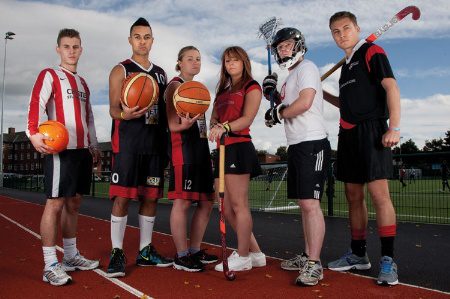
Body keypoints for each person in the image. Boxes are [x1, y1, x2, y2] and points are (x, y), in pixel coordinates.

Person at [323, 11, 401, 286]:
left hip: (373, 130)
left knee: (380, 195)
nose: (341, 34)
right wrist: (318, 92)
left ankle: (389, 260)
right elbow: (346, 104)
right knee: (353, 195)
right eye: (335, 31)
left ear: (357, 29)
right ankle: (358, 254)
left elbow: (391, 87)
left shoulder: (372, 51)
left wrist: (394, 127)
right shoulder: (346, 67)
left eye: (346, 28)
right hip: (348, 133)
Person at [26, 28, 100, 286]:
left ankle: (70, 256)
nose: (71, 51)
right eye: (66, 46)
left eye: (76, 46)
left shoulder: (83, 83)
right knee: (55, 203)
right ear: (58, 49)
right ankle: (50, 264)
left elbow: (88, 116)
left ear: (81, 49)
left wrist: (93, 144)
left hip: (81, 150)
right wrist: (33, 134)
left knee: (74, 203)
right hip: (60, 149)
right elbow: (36, 103)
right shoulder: (50, 75)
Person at [263, 27, 331, 286]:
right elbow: (284, 108)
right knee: (304, 205)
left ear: (299, 45)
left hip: (312, 142)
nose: (283, 50)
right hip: (296, 144)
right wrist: (272, 96)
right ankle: (307, 255)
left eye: (287, 45)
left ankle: (315, 263)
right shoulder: (288, 78)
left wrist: (278, 112)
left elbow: (304, 103)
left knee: (311, 205)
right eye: (279, 47)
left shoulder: (307, 68)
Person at [106, 17, 172, 278]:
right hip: (128, 144)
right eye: (137, 37)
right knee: (122, 197)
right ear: (130, 40)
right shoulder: (121, 70)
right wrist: (125, 115)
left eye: (147, 37)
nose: (142, 41)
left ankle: (145, 251)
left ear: (152, 41)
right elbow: (113, 108)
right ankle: (117, 252)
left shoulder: (160, 74)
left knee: (151, 197)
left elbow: (166, 113)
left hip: (154, 145)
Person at [208, 46, 266, 272]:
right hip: (221, 150)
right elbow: (213, 117)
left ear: (244, 62)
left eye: (235, 60)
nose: (230, 64)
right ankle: (256, 253)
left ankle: (242, 256)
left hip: (239, 147)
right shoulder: (222, 90)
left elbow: (247, 118)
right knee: (225, 208)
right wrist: (215, 125)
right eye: (227, 61)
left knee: (239, 205)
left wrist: (225, 126)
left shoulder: (251, 86)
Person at [164, 46, 218, 272]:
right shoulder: (174, 86)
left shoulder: (198, 90)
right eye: (190, 59)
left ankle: (195, 249)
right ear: (179, 63)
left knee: (207, 201)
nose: (195, 62)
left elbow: (202, 126)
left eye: (198, 59)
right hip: (182, 149)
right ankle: (181, 255)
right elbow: (171, 124)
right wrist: (182, 125)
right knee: (183, 201)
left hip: (201, 149)